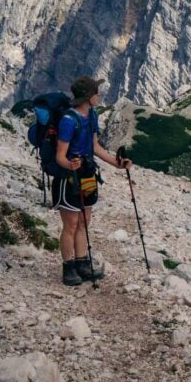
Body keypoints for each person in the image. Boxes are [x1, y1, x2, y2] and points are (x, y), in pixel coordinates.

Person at [53, 75, 132, 285]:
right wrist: (70, 165)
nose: (99, 95)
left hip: (88, 174)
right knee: (70, 224)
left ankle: (82, 264)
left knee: (84, 221)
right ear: (88, 97)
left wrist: (117, 163)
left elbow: (95, 147)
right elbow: (60, 155)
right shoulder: (69, 121)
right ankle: (68, 268)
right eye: (96, 92)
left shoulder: (93, 115)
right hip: (69, 177)